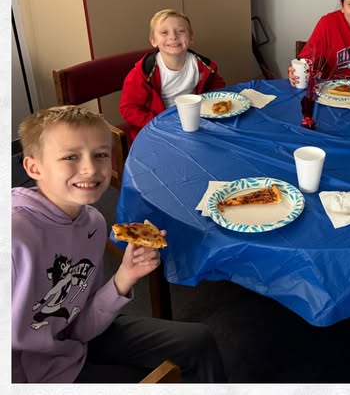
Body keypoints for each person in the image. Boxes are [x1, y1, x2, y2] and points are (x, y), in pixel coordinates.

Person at [12, 105, 226, 383]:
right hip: (28, 374)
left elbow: (80, 321)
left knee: (198, 340)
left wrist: (125, 276)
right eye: (70, 157)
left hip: (73, 341)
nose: (90, 168)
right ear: (34, 167)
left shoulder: (93, 223)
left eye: (100, 154)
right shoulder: (15, 237)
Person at [120, 8, 226, 142]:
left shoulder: (203, 66)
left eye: (180, 31)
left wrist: (208, 109)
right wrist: (158, 123)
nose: (173, 37)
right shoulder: (143, 73)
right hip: (157, 130)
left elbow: (217, 86)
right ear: (153, 41)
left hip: (195, 122)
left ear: (191, 38)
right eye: (164, 32)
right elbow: (128, 108)